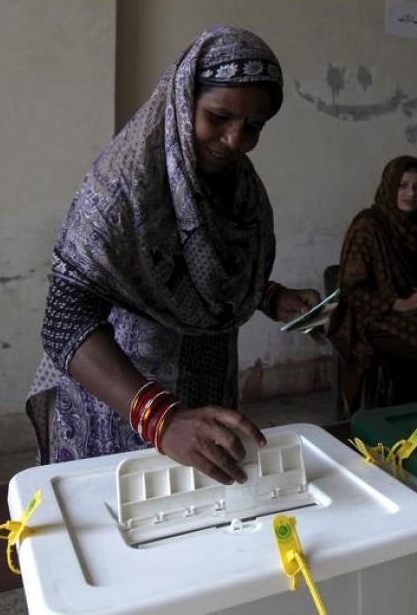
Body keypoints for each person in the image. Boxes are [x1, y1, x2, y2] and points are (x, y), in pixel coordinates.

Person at [26, 26, 320, 485]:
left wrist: (268, 296)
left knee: (197, 527)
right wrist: (160, 417)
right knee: (127, 528)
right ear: (184, 101)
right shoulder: (122, 187)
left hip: (205, 394)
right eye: (218, 117)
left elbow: (200, 271)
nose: (234, 141)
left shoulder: (240, 190)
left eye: (254, 128)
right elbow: (65, 320)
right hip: (124, 404)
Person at [328, 155, 417, 415]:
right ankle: (395, 417)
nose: (411, 194)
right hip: (368, 316)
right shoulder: (368, 225)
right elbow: (352, 290)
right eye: (402, 186)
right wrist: (397, 303)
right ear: (390, 187)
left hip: (414, 311)